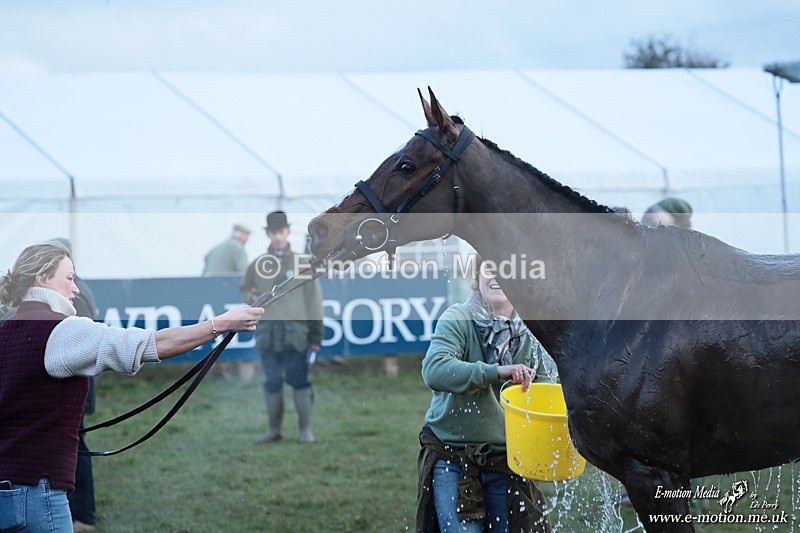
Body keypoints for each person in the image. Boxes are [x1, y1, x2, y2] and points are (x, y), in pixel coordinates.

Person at [0, 242, 263, 532]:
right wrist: (222, 323)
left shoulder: (4, 331)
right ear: (43, 278)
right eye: (70, 278)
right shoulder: (62, 331)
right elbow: (154, 344)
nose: (75, 289)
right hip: (38, 495)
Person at [416, 256, 551, 533]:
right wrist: (496, 372)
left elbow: (548, 392)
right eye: (490, 268)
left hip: (509, 463)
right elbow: (434, 370)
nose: (498, 276)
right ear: (477, 276)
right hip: (453, 460)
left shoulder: (535, 330)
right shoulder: (458, 318)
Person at [240, 211, 323, 444]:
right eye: (273, 232)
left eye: (282, 232)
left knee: (299, 381)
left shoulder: (303, 263)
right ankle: (273, 430)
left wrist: (316, 335)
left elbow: (314, 303)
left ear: (288, 232)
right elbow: (245, 288)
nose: (278, 237)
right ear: (268, 233)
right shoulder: (257, 264)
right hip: (268, 335)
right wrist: (251, 296)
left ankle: (305, 430)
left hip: (297, 335)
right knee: (272, 382)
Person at [47, 239, 99, 532]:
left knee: (75, 445)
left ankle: (83, 516)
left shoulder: (72, 292)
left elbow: (76, 341)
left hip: (74, 379)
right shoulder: (81, 286)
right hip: (78, 377)